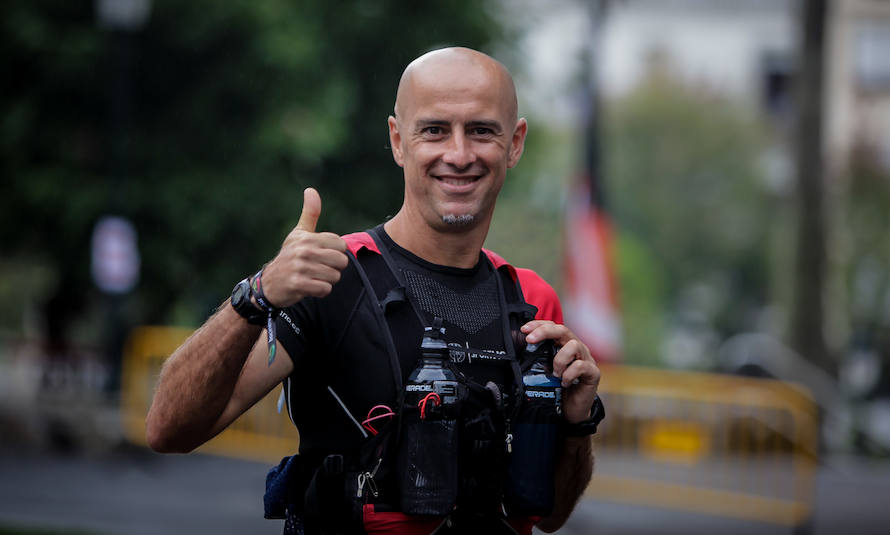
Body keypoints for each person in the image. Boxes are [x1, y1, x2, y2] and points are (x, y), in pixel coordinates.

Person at [146, 47, 602, 534]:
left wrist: (577, 424)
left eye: (481, 130)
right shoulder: (330, 276)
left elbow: (548, 515)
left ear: (514, 143)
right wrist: (255, 295)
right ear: (397, 140)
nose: (459, 154)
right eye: (434, 129)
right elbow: (169, 429)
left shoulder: (531, 302)